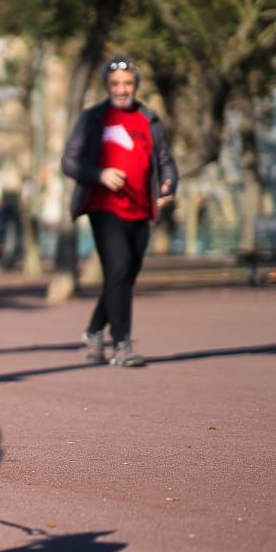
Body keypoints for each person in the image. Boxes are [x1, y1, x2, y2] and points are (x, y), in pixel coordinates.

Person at [62, 56, 177, 367]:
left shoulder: (148, 119)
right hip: (104, 207)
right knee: (119, 268)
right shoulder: (92, 119)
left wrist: (168, 186)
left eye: (128, 83)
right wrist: (99, 174)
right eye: (115, 84)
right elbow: (69, 162)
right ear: (107, 86)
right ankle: (123, 345)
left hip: (141, 209)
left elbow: (165, 162)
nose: (122, 89)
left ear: (136, 85)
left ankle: (95, 330)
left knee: (124, 276)